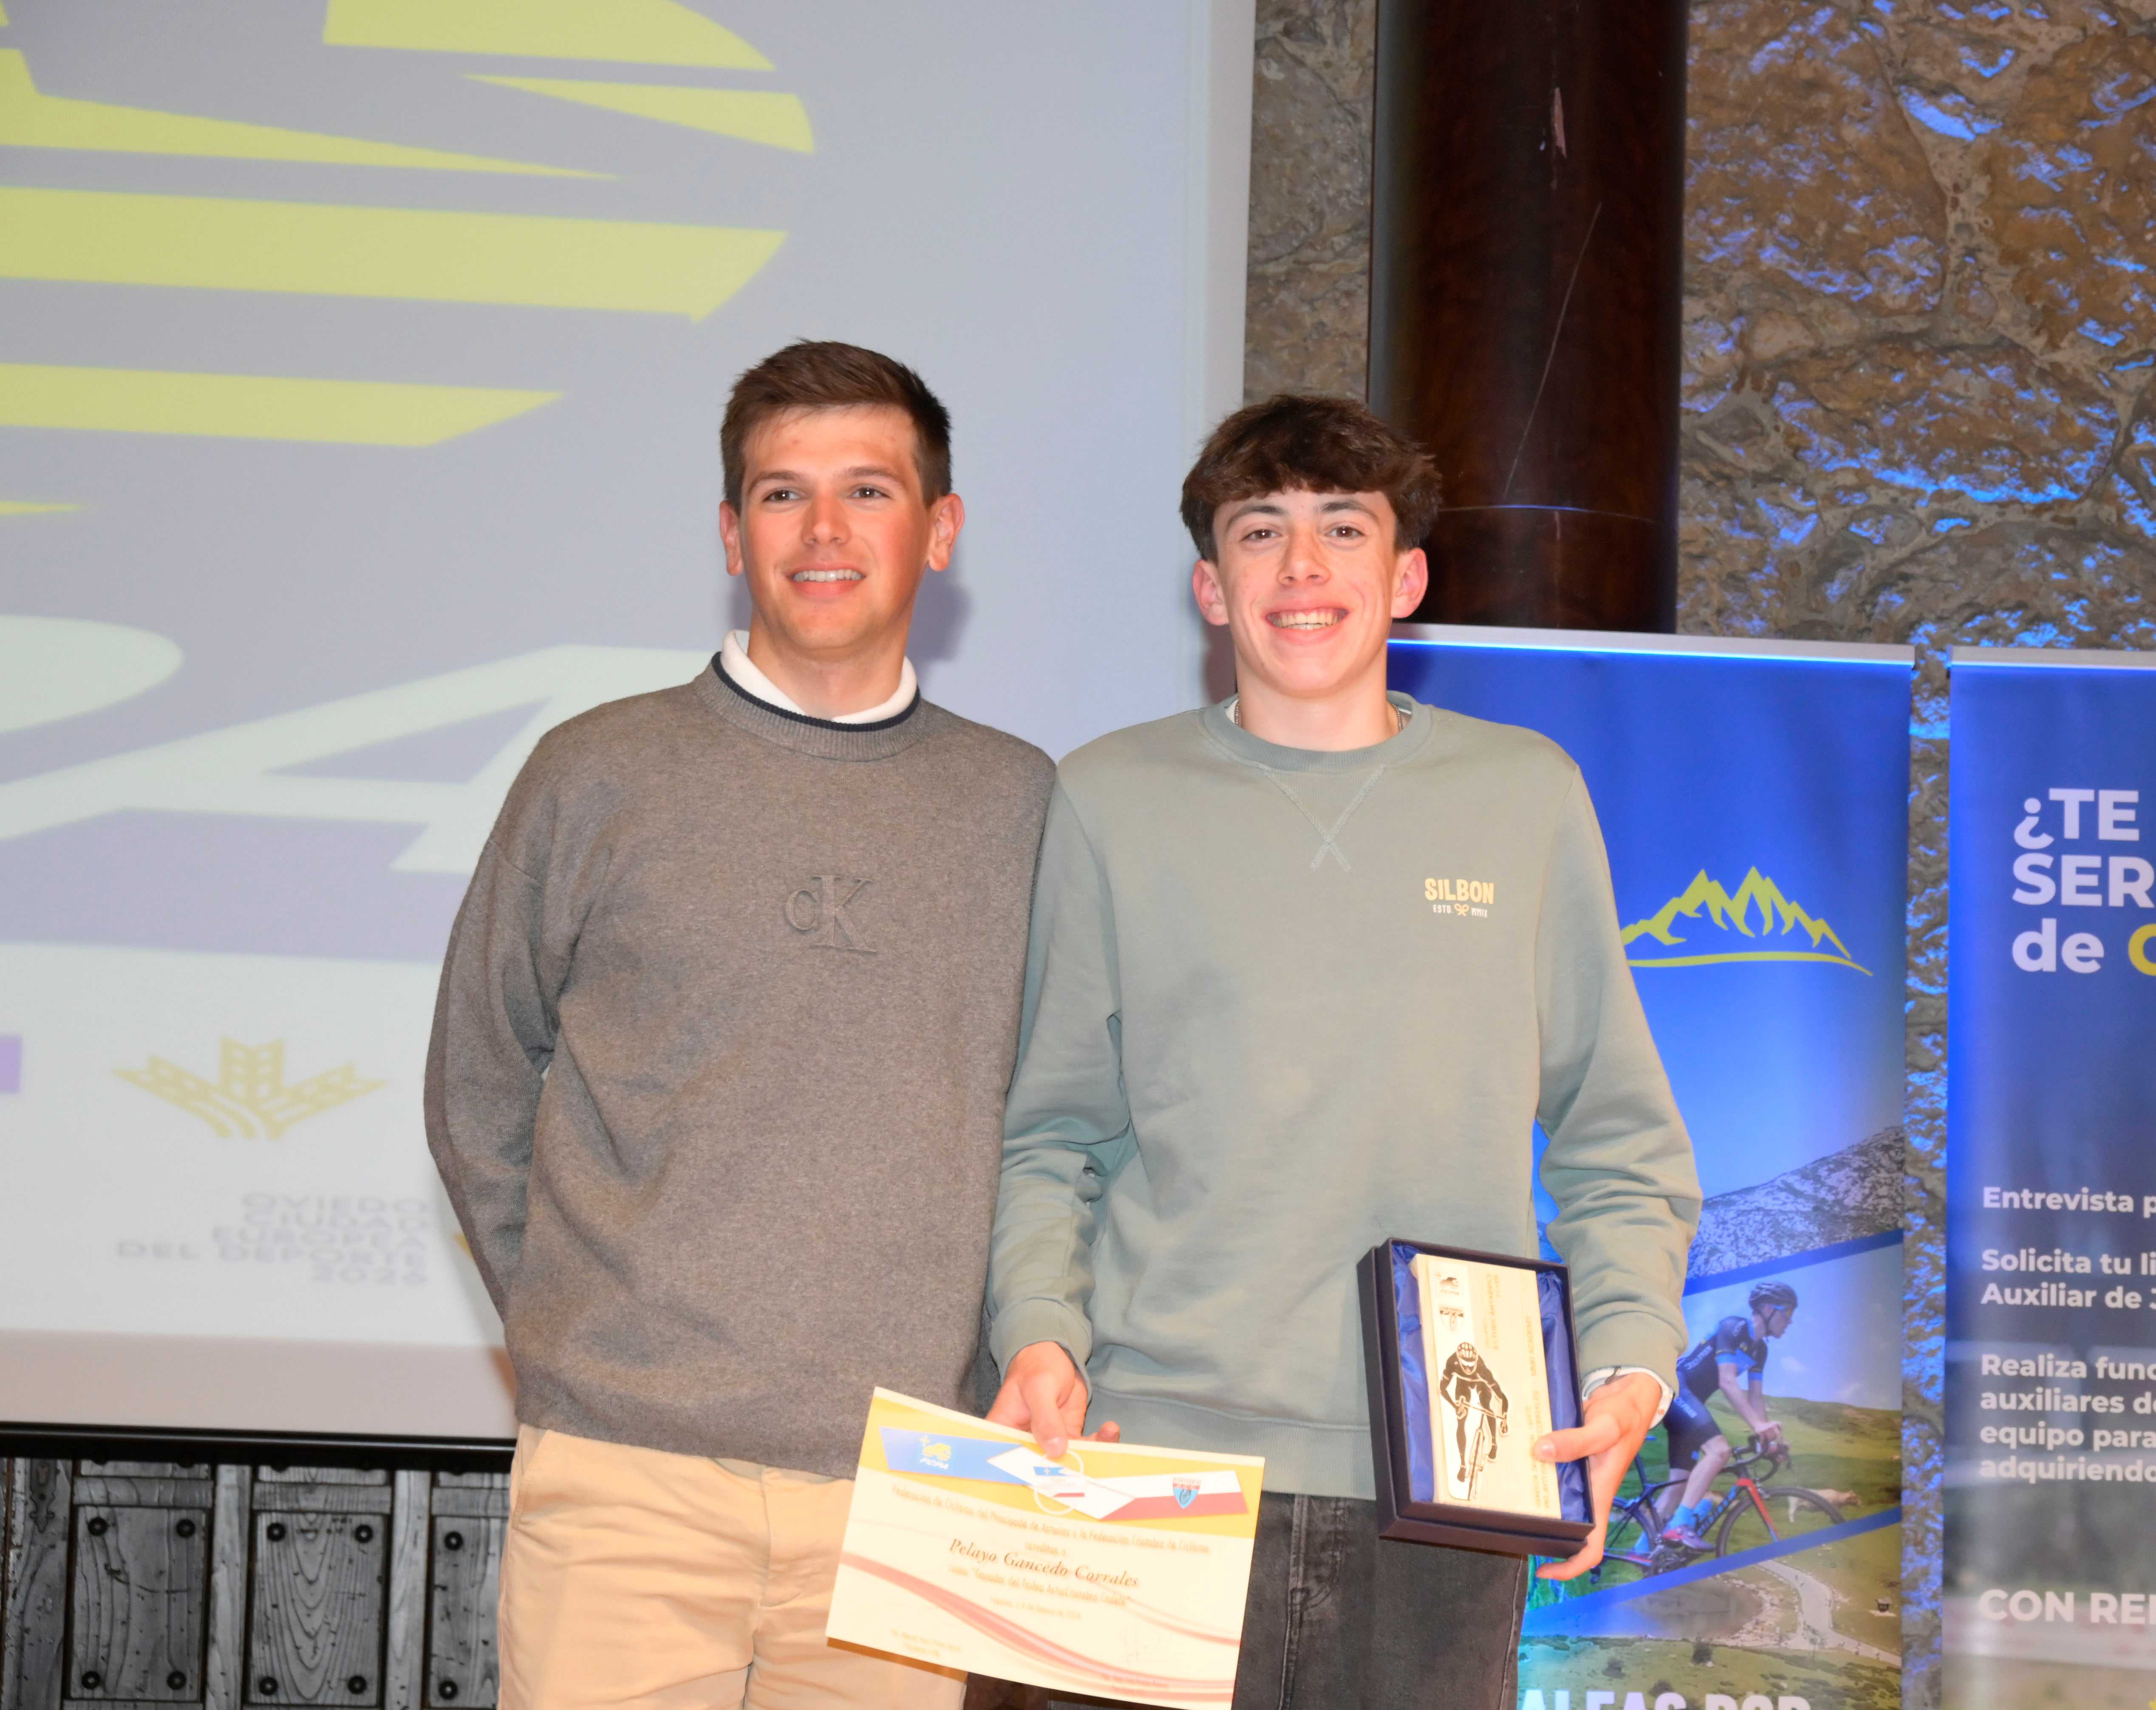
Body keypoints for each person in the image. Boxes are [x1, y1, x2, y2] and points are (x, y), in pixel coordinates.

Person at [983, 394, 1700, 1705]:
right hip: (1148, 1469)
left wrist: (1631, 1362)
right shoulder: (1107, 798)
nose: (1303, 569)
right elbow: (1055, 1137)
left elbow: (1617, 1136)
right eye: (1262, 533)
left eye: (1344, 529)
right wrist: (1039, 1335)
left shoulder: (1525, 797)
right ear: (1212, 586)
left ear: (1407, 577)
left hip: (1447, 1481)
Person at [426, 341, 1054, 1710]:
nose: (824, 532)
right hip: (627, 1484)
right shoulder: (596, 771)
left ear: (939, 530)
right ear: (731, 531)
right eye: (782, 494)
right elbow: (477, 1088)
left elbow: (1064, 1131)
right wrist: (587, 1336)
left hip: (911, 1496)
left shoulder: (1026, 809)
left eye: (869, 492)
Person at [1658, 1280, 1797, 1550]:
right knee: (1719, 1451)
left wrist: (1769, 1439)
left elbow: (1756, 1397)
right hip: (1676, 1391)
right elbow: (1728, 1381)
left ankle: (1642, 1553)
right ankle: (1678, 1526)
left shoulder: (1760, 1350)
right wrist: (1758, 1425)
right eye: (1788, 1313)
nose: (1790, 1322)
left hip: (1689, 1403)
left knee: (1679, 1486)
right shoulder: (1732, 1328)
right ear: (1768, 1309)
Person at [1440, 1342, 1511, 1488]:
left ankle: (1493, 1444)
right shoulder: (1452, 1363)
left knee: (1487, 1407)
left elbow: (1501, 1396)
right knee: (1461, 1419)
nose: (1468, 1369)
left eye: (1471, 1365)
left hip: (1481, 1384)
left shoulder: (1483, 1371)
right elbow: (1443, 1389)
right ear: (1458, 1360)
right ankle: (1463, 1464)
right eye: (1465, 1365)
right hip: (1463, 1385)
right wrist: (1455, 1407)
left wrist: (1504, 1418)